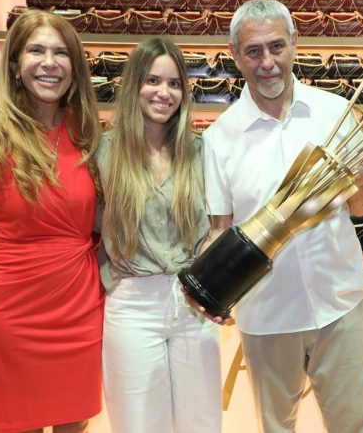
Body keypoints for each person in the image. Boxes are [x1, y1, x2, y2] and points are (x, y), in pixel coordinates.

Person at [193, 0, 363, 433]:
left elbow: (360, 207)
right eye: (253, 51)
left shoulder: (334, 112)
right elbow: (220, 232)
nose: (267, 62)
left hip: (340, 301)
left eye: (276, 47)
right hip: (267, 312)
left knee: (353, 425)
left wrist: (361, 179)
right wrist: (209, 288)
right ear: (234, 55)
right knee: (276, 427)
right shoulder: (219, 139)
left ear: (295, 45)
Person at [0, 9, 104, 433]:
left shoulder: (88, 131)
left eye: (61, 52)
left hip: (80, 304)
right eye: (36, 50)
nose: (49, 62)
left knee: (75, 423)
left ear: (75, 68)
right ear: (16, 65)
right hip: (12, 309)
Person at [96, 37, 222, 433]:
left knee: (201, 422)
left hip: (192, 303)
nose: (163, 93)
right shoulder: (103, 151)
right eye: (152, 80)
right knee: (137, 423)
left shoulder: (202, 151)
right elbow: (79, 219)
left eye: (174, 83)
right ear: (133, 85)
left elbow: (222, 226)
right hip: (132, 302)